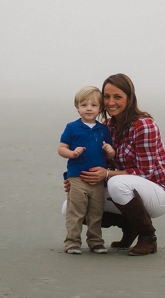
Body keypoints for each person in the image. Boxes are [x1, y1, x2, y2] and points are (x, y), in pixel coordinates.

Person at [63, 73, 165, 255]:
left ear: (130, 99)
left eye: (118, 97)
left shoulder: (144, 125)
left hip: (159, 193)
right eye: (107, 97)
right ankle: (130, 226)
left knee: (117, 184)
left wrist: (107, 175)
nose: (111, 102)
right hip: (130, 188)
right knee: (69, 206)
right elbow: (96, 162)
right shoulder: (107, 127)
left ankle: (148, 237)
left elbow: (145, 172)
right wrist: (76, 179)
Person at [58, 85, 115, 254]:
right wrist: (72, 153)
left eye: (93, 105)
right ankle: (72, 242)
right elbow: (61, 148)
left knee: (96, 212)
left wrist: (110, 151)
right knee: (76, 211)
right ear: (77, 107)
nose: (89, 108)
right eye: (84, 105)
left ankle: (96, 242)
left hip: (97, 180)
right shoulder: (72, 127)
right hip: (77, 177)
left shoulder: (103, 129)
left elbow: (111, 154)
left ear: (100, 108)